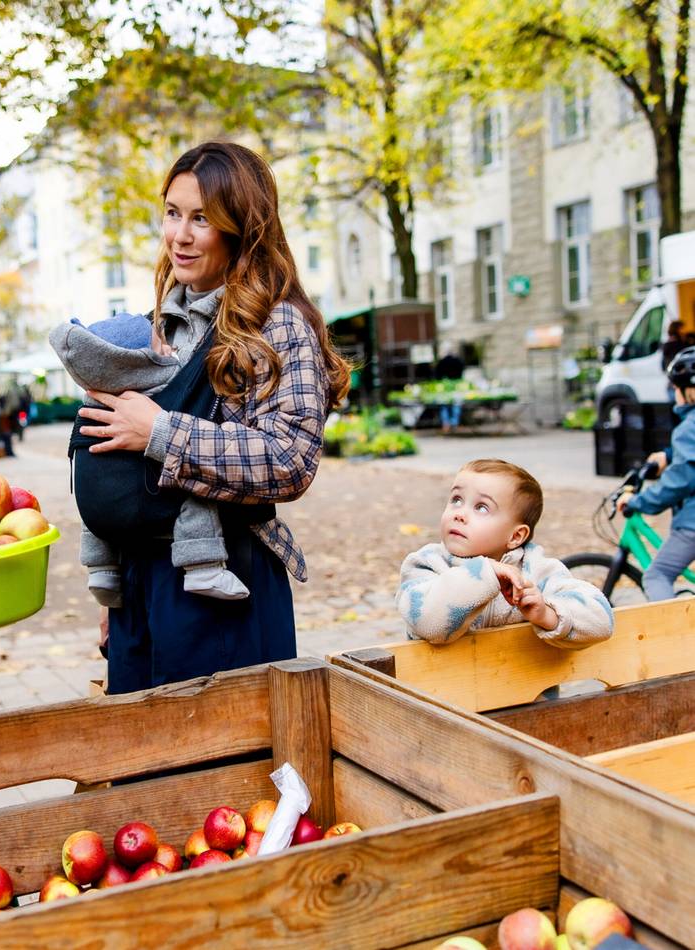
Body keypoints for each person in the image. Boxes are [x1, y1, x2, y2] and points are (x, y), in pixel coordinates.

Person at [72, 141, 350, 693]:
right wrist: (125, 587)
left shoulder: (277, 326)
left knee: (222, 769)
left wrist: (159, 431)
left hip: (225, 585)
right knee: (146, 764)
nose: (180, 234)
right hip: (143, 588)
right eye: (173, 214)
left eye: (202, 218)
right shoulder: (159, 325)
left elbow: (289, 460)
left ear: (242, 227)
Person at [51, 311, 249, 604]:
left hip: (96, 502)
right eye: (159, 347)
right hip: (152, 494)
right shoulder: (164, 379)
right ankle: (202, 568)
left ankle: (101, 569)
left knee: (93, 503)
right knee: (194, 492)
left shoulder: (95, 393)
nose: (168, 350)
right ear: (136, 359)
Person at [397, 459, 614, 647]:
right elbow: (429, 624)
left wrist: (548, 615)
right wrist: (485, 573)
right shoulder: (426, 565)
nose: (460, 514)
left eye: (481, 507)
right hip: (440, 693)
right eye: (457, 500)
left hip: (525, 693)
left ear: (516, 536)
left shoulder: (538, 572)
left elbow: (602, 621)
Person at [617, 347, 695, 601]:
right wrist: (669, 455)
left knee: (657, 574)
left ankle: (674, 638)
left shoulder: (688, 427)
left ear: (689, 390)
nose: (673, 393)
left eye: (675, 387)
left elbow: (680, 480)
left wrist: (639, 501)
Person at [435, 346, 465, 433]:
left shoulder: (441, 362)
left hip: (444, 386)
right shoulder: (458, 361)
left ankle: (446, 423)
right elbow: (461, 372)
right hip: (457, 386)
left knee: (444, 406)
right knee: (456, 405)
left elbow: (437, 375)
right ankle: (454, 423)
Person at [661, 321, 686, 403]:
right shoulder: (679, 345)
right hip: (679, 383)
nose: (684, 332)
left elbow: (663, 366)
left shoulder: (667, 345)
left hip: (673, 382)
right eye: (682, 329)